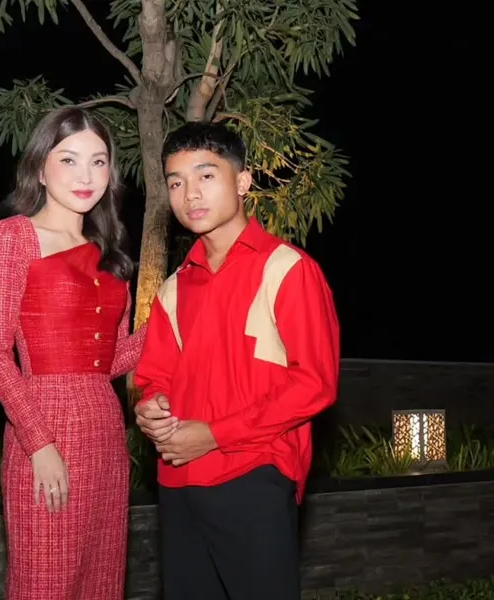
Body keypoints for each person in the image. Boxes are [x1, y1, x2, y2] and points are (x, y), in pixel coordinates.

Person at [132, 121, 341, 600]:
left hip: (253, 474)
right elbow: (153, 378)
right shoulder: (174, 287)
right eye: (176, 182)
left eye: (206, 175)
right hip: (178, 479)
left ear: (243, 181)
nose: (190, 193)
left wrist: (214, 434)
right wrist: (151, 408)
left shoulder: (287, 269)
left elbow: (315, 384)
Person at [0, 106, 147, 600]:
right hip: (43, 426)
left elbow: (109, 363)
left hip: (106, 433)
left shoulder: (111, 255)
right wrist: (40, 444)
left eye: (98, 161)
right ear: (39, 168)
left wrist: (165, 324)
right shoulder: (11, 237)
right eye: (69, 160)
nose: (85, 176)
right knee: (44, 583)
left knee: (101, 584)